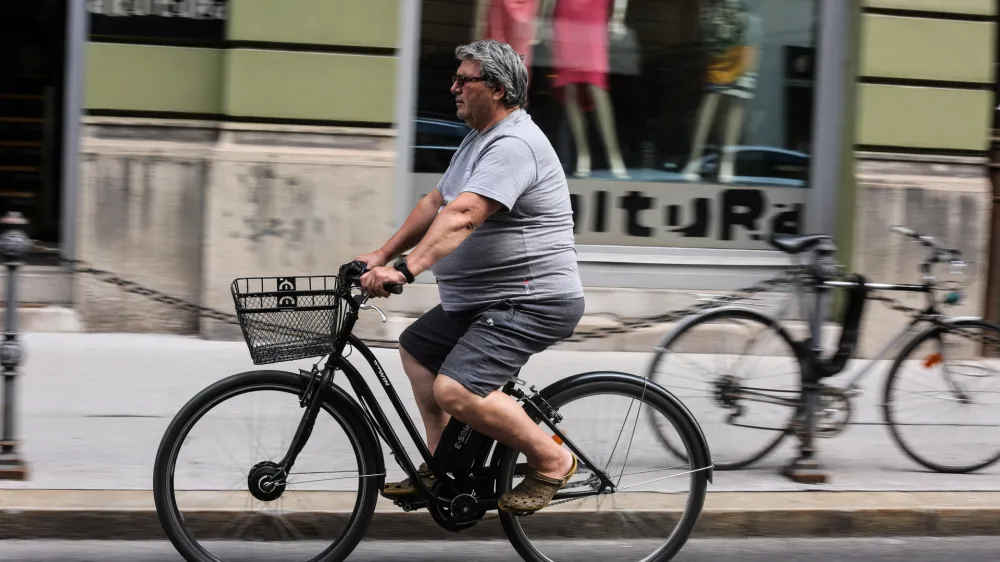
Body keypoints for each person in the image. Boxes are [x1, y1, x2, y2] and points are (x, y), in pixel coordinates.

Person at [356, 39, 585, 514]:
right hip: (486, 299)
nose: (453, 86)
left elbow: (465, 214)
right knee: (418, 349)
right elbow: (436, 203)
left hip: (530, 300)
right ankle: (446, 467)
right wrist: (382, 252)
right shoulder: (478, 139)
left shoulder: (515, 144)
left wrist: (406, 269)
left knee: (456, 389)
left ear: (497, 89)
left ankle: (552, 457)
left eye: (465, 79)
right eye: (456, 78)